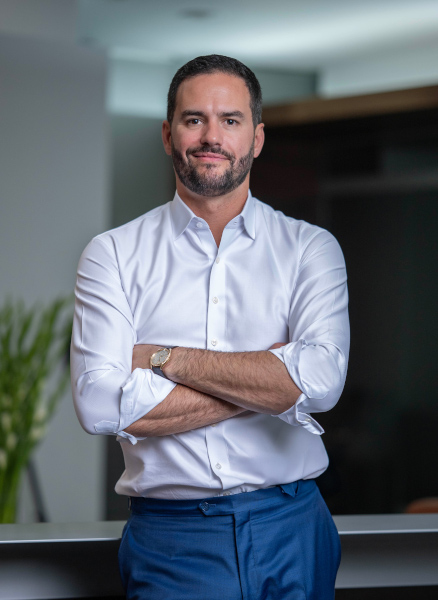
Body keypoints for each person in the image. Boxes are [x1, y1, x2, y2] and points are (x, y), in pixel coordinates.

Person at [71, 54, 349, 600]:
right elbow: (99, 406)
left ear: (256, 138)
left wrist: (164, 359)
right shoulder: (113, 255)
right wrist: (269, 380)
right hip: (172, 538)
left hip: (293, 526)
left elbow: (321, 384)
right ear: (168, 135)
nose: (211, 137)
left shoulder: (310, 249)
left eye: (231, 120)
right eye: (194, 119)